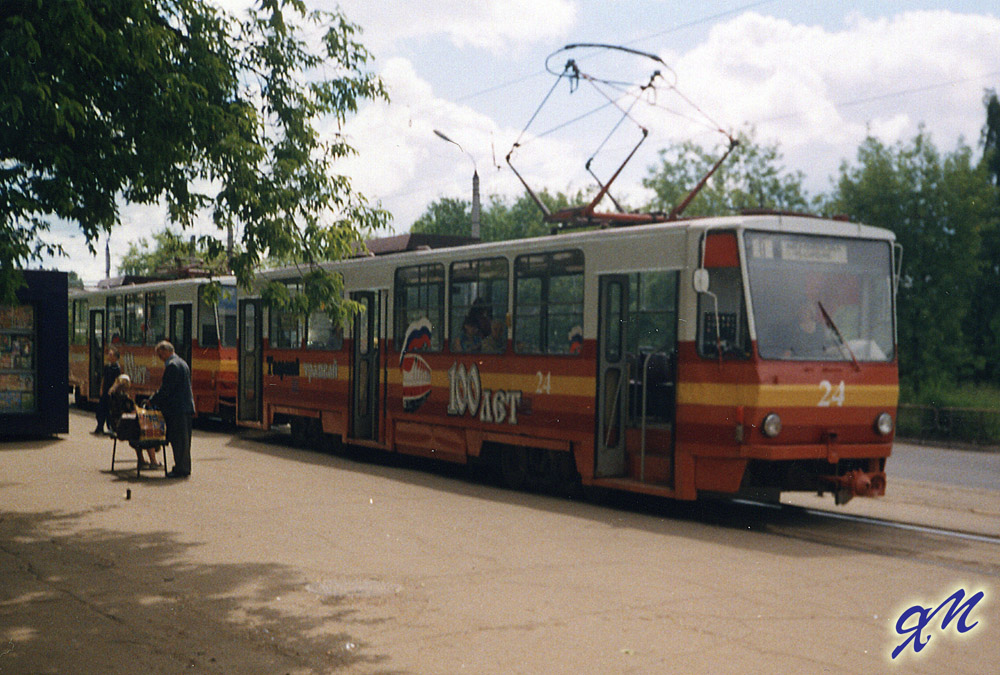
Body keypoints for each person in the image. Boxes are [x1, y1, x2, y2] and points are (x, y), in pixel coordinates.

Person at [148, 340, 195, 478]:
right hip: (186, 407)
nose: (159, 358)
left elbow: (166, 390)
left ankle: (180, 469)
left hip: (177, 409)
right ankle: (184, 467)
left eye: (159, 354)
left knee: (178, 440)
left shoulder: (172, 366)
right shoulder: (182, 363)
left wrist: (153, 400)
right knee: (185, 441)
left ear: (165, 351)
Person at [108, 374, 159, 469]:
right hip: (126, 427)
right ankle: (153, 461)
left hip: (117, 426)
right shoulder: (126, 399)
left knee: (137, 431)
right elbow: (134, 412)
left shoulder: (112, 396)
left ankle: (141, 460)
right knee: (146, 432)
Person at [93, 345, 121, 434]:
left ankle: (111, 428)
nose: (109, 356)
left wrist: (112, 389)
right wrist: (101, 389)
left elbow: (117, 381)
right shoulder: (107, 367)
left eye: (111, 355)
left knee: (110, 410)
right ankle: (99, 427)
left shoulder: (117, 368)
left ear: (116, 357)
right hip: (105, 390)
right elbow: (103, 378)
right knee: (101, 409)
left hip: (111, 392)